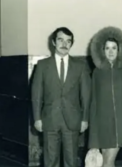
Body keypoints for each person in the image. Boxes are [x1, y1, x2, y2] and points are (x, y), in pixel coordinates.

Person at [31, 27, 91, 167]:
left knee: (71, 161)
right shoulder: (42, 65)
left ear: (71, 44)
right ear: (53, 42)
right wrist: (37, 118)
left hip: (73, 120)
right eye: (60, 40)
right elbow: (36, 93)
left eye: (68, 41)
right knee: (50, 161)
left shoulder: (80, 66)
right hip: (49, 119)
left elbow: (86, 95)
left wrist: (85, 119)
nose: (64, 44)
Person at [87, 26, 122, 167]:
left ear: (120, 50)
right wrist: (93, 137)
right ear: (102, 50)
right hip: (102, 126)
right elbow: (93, 104)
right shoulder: (97, 73)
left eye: (114, 48)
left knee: (108, 160)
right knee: (105, 160)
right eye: (107, 48)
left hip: (120, 126)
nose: (110, 51)